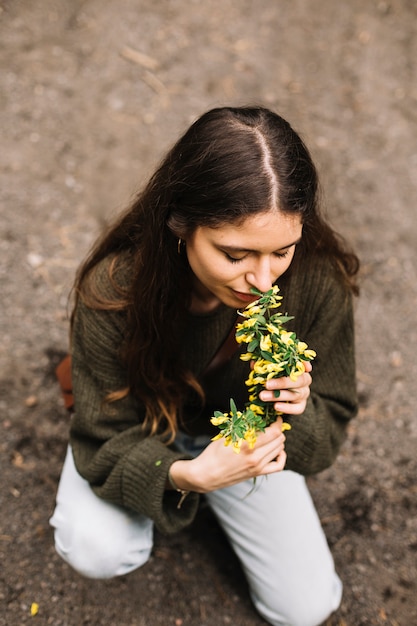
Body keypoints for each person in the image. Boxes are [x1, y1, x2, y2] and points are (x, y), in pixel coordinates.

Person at [50, 106, 360, 626]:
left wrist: (296, 410)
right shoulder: (115, 291)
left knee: (306, 608)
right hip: (149, 431)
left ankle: (227, 491)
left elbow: (331, 427)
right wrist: (185, 477)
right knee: (93, 547)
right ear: (182, 226)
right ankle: (182, 494)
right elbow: (104, 437)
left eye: (282, 251)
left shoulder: (317, 283)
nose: (263, 279)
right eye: (235, 255)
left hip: (252, 438)